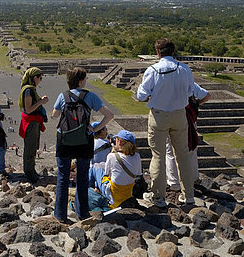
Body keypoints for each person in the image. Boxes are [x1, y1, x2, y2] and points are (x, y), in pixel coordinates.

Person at [136, 38, 196, 207]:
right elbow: (191, 92)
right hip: (179, 115)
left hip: (159, 116)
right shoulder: (184, 69)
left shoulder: (153, 70)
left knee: (158, 156)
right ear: (173, 51)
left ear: (157, 52)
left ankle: (158, 196)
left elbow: (141, 95)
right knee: (183, 155)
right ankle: (189, 195)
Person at [52, 67, 114, 222]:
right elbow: (109, 115)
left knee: (62, 177)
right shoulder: (90, 96)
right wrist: (95, 129)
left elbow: (54, 114)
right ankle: (83, 213)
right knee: (82, 178)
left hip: (65, 139)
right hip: (84, 139)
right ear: (80, 80)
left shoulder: (63, 96)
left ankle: (60, 214)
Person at [165, 83, 211, 191]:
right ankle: (193, 178)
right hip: (190, 119)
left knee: (171, 151)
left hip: (172, 119)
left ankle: (174, 183)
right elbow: (207, 95)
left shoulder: (165, 83)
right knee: (191, 148)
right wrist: (196, 104)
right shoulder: (189, 83)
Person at [87, 130, 142, 209]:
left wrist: (113, 150)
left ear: (119, 142)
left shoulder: (112, 156)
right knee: (101, 166)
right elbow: (138, 173)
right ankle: (95, 188)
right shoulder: (137, 156)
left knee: (96, 166)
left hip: (112, 195)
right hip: (127, 194)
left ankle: (86, 187)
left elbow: (106, 173)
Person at [18, 67, 49, 183]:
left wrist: (40, 100)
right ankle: (29, 172)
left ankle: (31, 170)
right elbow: (29, 109)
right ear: (34, 78)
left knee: (33, 146)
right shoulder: (28, 90)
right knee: (30, 148)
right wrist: (41, 102)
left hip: (33, 122)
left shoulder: (30, 89)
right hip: (30, 123)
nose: (40, 80)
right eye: (40, 78)